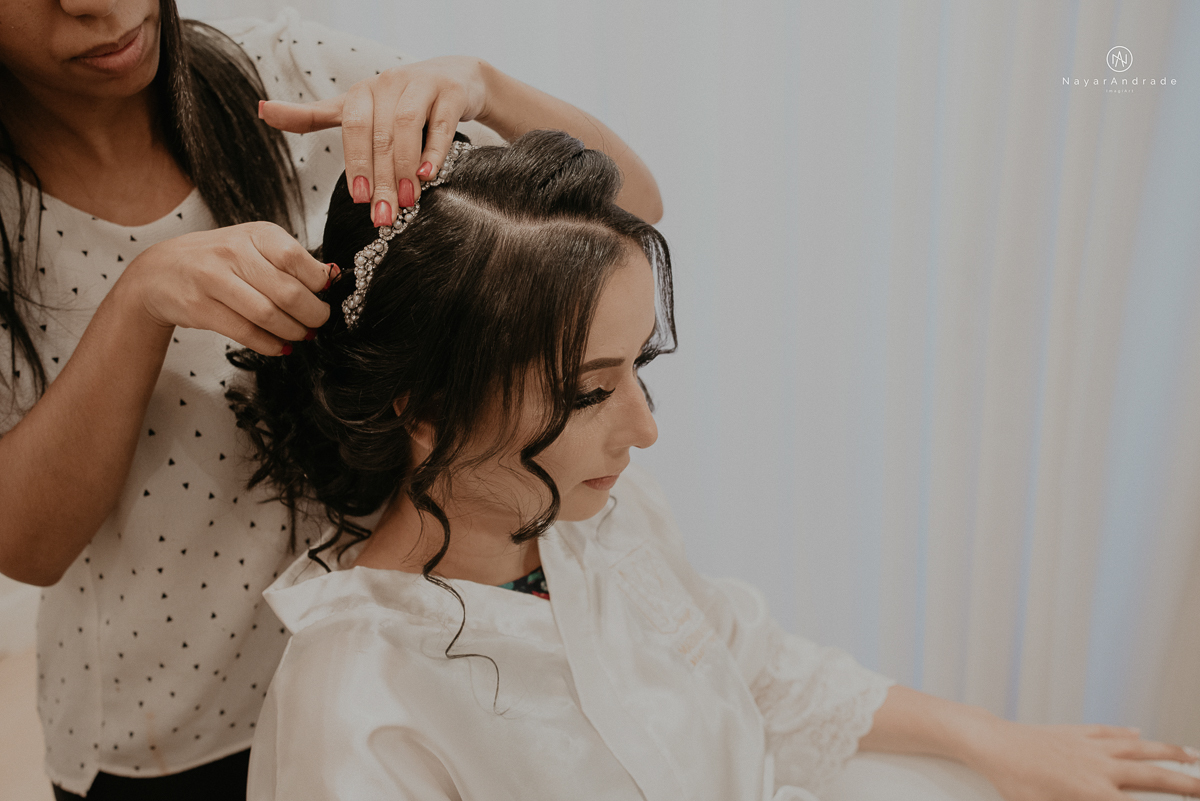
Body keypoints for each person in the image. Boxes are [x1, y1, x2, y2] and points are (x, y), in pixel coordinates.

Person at [231, 130, 1200, 801]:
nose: (645, 433)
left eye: (639, 370)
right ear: (426, 410)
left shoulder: (593, 522)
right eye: (588, 392)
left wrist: (1001, 746)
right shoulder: (358, 700)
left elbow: (759, 672)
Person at [0, 2, 661, 798]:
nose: (97, 4)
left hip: (413, 655)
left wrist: (484, 86)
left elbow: (619, 222)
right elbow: (26, 545)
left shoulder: (291, 75)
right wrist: (140, 301)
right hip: (179, 730)